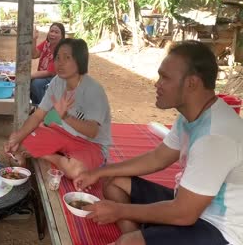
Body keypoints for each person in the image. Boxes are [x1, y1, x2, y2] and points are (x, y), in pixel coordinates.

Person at [73, 41, 243, 245]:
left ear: (192, 83)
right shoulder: (191, 116)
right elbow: (157, 158)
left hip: (219, 229)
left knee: (128, 242)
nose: (157, 83)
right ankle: (135, 235)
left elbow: (184, 214)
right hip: (189, 203)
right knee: (115, 181)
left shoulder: (215, 138)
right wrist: (99, 172)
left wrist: (119, 210)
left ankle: (133, 239)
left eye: (165, 77)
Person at [4, 38, 112, 179]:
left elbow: (92, 131)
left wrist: (65, 117)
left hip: (91, 144)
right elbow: (38, 115)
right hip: (61, 133)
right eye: (57, 58)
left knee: (76, 171)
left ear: (80, 61)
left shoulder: (94, 90)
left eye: (67, 58)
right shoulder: (57, 81)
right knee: (17, 150)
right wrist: (17, 137)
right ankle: (56, 160)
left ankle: (48, 155)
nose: (60, 63)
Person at [30, 22, 65, 105]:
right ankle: (36, 106)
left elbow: (49, 72)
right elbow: (34, 55)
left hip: (58, 78)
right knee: (29, 82)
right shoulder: (47, 44)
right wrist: (34, 39)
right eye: (51, 31)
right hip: (47, 76)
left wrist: (29, 75)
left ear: (62, 36)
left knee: (36, 83)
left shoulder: (62, 50)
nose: (53, 34)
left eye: (56, 32)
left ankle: (46, 109)